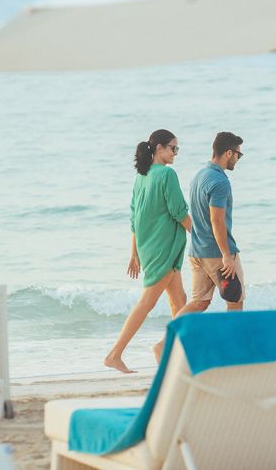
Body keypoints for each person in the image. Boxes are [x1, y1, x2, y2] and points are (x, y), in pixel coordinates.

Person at [103, 129, 191, 374]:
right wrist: (204, 236)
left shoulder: (142, 176)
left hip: (152, 246)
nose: (176, 153)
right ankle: (114, 354)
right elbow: (179, 211)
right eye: (174, 148)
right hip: (162, 248)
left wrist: (134, 253)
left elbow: (135, 217)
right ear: (160, 148)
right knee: (146, 303)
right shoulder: (166, 174)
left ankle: (176, 355)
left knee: (180, 302)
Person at [179, 131, 246, 314]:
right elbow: (216, 220)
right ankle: (232, 343)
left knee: (199, 303)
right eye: (238, 154)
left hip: (197, 251)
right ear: (229, 153)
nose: (238, 159)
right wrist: (226, 255)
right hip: (217, 253)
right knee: (235, 301)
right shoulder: (220, 181)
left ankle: (166, 341)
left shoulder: (198, 176)